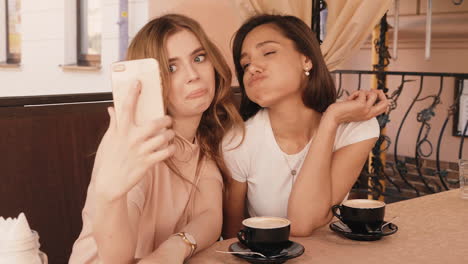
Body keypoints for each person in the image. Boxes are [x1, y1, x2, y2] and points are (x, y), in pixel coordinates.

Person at [69, 14, 243, 264]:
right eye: (172, 67)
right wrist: (109, 197)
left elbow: (210, 215)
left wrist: (174, 247)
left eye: (199, 57)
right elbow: (116, 258)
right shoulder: (136, 141)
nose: (193, 74)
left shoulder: (204, 135)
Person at [222, 14, 389, 238]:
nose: (252, 68)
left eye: (269, 52)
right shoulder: (237, 142)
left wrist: (331, 120)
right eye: (245, 64)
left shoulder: (355, 129)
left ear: (306, 60)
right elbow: (233, 236)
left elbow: (304, 221)